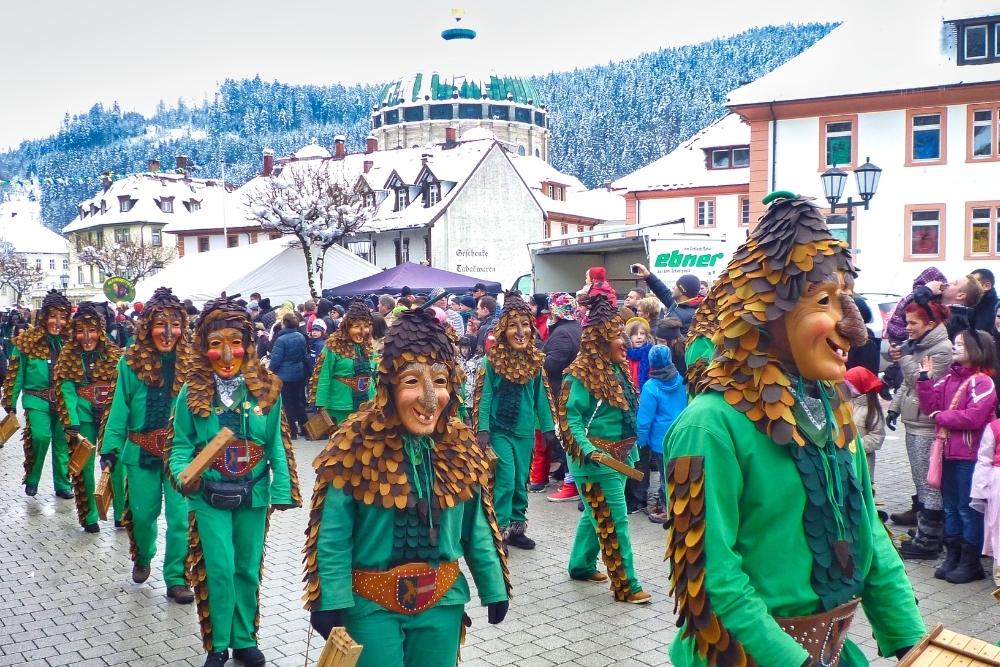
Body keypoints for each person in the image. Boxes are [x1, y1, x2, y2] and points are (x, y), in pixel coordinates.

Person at [663, 193, 924, 666]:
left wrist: (911, 640)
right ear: (766, 311)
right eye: (824, 300)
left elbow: (869, 531)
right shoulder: (708, 426)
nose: (855, 329)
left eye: (847, 299)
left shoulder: (835, 408)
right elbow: (711, 574)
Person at [304, 306, 510, 667]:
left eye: (441, 381)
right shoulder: (353, 445)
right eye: (413, 381)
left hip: (442, 604)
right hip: (371, 608)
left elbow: (476, 526)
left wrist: (493, 586)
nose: (431, 399)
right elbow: (333, 535)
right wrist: (331, 601)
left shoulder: (460, 446)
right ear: (389, 385)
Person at [167, 297, 301, 667]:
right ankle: (217, 643)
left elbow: (277, 442)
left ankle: (245, 639)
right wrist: (183, 474)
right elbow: (179, 445)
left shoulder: (267, 388)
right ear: (203, 348)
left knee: (247, 567)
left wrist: (281, 488)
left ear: (249, 345)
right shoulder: (190, 392)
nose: (227, 355)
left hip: (253, 493)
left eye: (235, 343)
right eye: (215, 344)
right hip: (208, 495)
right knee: (219, 569)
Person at [99, 287, 193, 603]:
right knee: (142, 515)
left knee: (181, 518)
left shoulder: (193, 363)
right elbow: (119, 407)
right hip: (140, 452)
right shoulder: (130, 362)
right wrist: (109, 448)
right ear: (146, 326)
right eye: (160, 324)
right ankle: (143, 553)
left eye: (175, 324)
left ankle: (177, 577)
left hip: (180, 454)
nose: (168, 333)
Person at [556, 293, 650, 604]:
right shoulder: (579, 374)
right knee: (613, 520)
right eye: (616, 337)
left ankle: (580, 565)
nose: (623, 343)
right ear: (599, 341)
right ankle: (626, 586)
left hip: (622, 457)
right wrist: (588, 450)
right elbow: (569, 418)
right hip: (596, 462)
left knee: (597, 514)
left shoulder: (617, 367)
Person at [473, 292, 558, 550]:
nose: (520, 332)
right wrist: (483, 429)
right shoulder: (491, 362)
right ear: (503, 330)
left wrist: (548, 428)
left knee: (522, 480)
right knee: (506, 479)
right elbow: (484, 396)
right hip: (500, 431)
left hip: (524, 433)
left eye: (524, 325)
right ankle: (497, 530)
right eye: (513, 325)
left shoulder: (535, 361)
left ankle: (517, 527)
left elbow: (541, 397)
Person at [916, 328, 997, 583]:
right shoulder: (948, 379)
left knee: (966, 509)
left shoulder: (983, 382)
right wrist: (923, 380)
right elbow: (929, 406)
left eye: (960, 344)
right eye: (955, 343)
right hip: (948, 454)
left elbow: (974, 418)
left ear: (977, 350)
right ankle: (953, 555)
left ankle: (970, 561)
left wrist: (940, 418)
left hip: (969, 457)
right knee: (950, 507)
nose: (954, 347)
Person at [886, 300, 953, 557]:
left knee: (929, 482)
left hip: (927, 423)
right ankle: (927, 531)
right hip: (913, 420)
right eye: (907, 321)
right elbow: (907, 385)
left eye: (913, 323)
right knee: (919, 478)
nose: (907, 327)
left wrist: (904, 358)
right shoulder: (919, 346)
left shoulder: (942, 349)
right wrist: (893, 407)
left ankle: (929, 541)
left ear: (930, 324)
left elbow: (921, 382)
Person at [54, 302, 123, 533]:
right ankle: (89, 515)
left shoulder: (114, 354)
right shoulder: (68, 355)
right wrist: (71, 420)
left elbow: (123, 388)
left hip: (109, 417)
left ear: (100, 331)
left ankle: (121, 513)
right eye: (81, 331)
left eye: (91, 330)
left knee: (117, 462)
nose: (87, 337)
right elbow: (65, 387)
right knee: (83, 465)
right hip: (82, 418)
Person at [3, 290, 73, 499]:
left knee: (62, 442)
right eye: (53, 316)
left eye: (62, 317)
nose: (57, 322)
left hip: (62, 401)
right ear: (44, 317)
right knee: (40, 437)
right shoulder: (26, 342)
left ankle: (62, 484)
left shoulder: (69, 342)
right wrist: (10, 402)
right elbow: (15, 374)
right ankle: (32, 479)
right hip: (36, 398)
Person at [635, 345, 685, 524]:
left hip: (660, 440)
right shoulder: (680, 380)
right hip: (680, 434)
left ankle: (667, 510)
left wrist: (640, 441)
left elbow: (644, 420)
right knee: (679, 473)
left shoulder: (651, 387)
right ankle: (681, 506)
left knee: (665, 476)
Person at [541, 293, 583, 499]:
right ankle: (568, 477)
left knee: (566, 436)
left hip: (563, 392)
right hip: (573, 390)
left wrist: (538, 354)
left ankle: (570, 483)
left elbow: (551, 364)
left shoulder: (563, 334)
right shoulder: (576, 328)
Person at [308, 301, 376, 426]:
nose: (362, 331)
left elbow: (376, 375)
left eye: (366, 326)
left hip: (368, 405)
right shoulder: (333, 345)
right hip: (341, 405)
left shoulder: (369, 346)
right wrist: (321, 404)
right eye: (356, 326)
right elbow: (323, 375)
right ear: (347, 326)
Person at [970, 407, 1000, 585]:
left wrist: (980, 489)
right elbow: (984, 459)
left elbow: (984, 458)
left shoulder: (994, 427)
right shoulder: (995, 427)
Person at [268, 312, 309, 439]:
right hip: (299, 373)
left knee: (287, 403)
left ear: (285, 323)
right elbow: (304, 354)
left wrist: (269, 372)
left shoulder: (281, 340)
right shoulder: (301, 336)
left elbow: (276, 361)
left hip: (284, 376)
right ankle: (305, 428)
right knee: (299, 401)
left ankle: (292, 431)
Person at [844, 366, 885, 484]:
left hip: (863, 462)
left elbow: (877, 437)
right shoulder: (845, 404)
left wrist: (857, 445)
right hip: (845, 461)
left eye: (850, 385)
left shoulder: (872, 410)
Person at [624, 317, 652, 390]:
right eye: (635, 334)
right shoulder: (623, 354)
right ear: (629, 336)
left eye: (642, 334)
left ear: (646, 336)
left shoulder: (651, 354)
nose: (639, 337)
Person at [972, 268, 999, 337]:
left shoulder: (997, 310)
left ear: (987, 286)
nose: (967, 287)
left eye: (972, 283)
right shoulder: (971, 305)